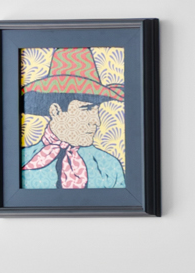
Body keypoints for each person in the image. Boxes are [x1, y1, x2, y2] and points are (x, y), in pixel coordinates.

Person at [18, 47, 127, 190]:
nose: (97, 122)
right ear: (55, 111)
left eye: (96, 110)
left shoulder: (109, 167)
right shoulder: (22, 160)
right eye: (87, 109)